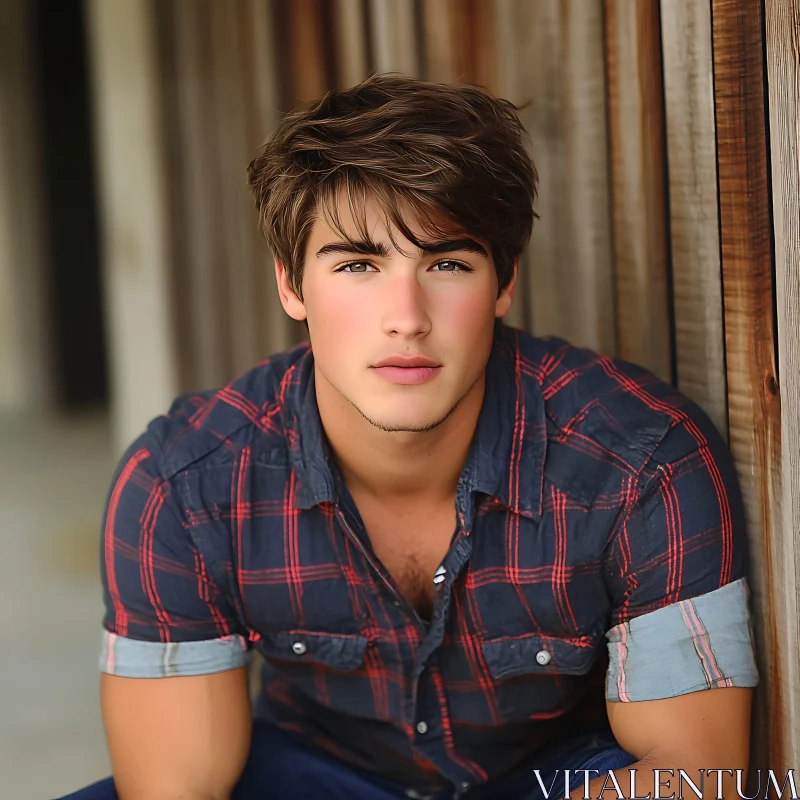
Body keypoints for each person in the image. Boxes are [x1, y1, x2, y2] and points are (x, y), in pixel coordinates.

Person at [60, 74, 757, 800]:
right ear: (292, 285)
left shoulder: (639, 460)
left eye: (447, 263)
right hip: (315, 775)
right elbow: (176, 788)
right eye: (358, 264)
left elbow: (696, 775)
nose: (407, 316)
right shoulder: (184, 483)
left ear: (504, 282)